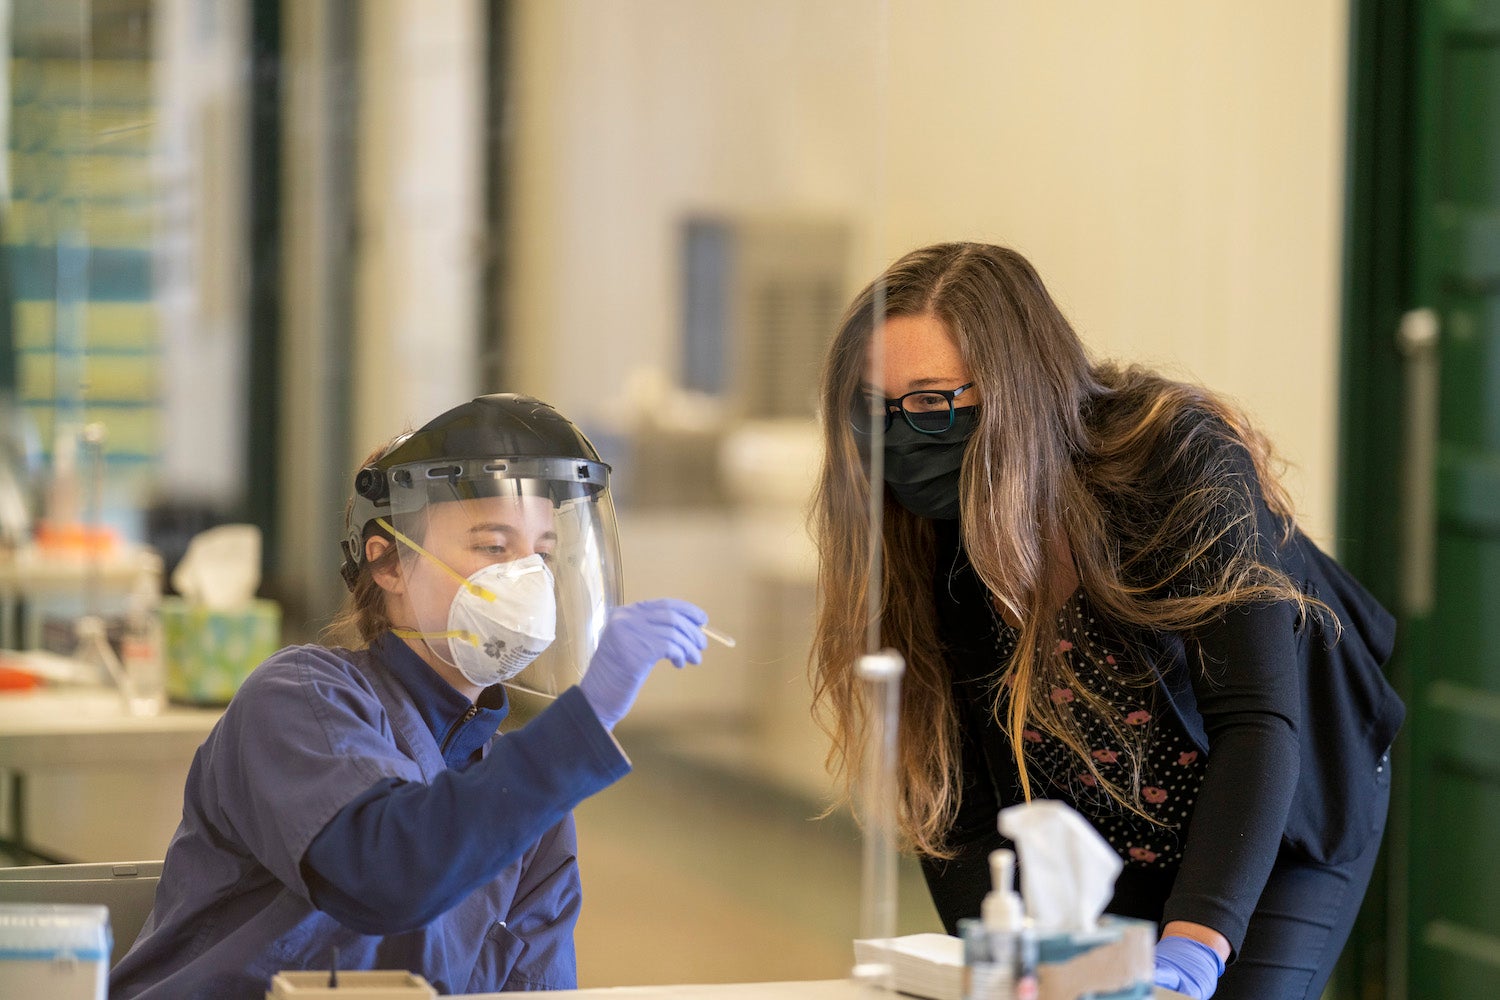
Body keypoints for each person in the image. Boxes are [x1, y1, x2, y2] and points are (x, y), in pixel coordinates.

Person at [809, 243, 1404, 1000]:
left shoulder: (1174, 460)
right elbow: (952, 793)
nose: (899, 437)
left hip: (1278, 809)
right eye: (872, 408)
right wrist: (1002, 964)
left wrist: (1191, 951)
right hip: (1111, 826)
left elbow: (1257, 723)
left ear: (1016, 390)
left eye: (930, 402)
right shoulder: (924, 536)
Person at [111, 393, 709, 998]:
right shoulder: (299, 699)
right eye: (493, 547)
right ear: (389, 564)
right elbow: (386, 872)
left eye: (544, 553)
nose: (529, 578)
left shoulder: (534, 813)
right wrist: (587, 720)